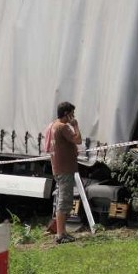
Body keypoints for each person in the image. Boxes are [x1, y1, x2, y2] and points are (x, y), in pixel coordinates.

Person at [48, 101, 82, 244]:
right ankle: (61, 234)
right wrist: (75, 126)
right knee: (64, 201)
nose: (73, 116)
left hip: (58, 168)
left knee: (63, 200)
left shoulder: (54, 125)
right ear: (66, 114)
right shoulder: (63, 127)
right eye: (72, 114)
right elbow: (78, 140)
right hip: (65, 169)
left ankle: (61, 232)